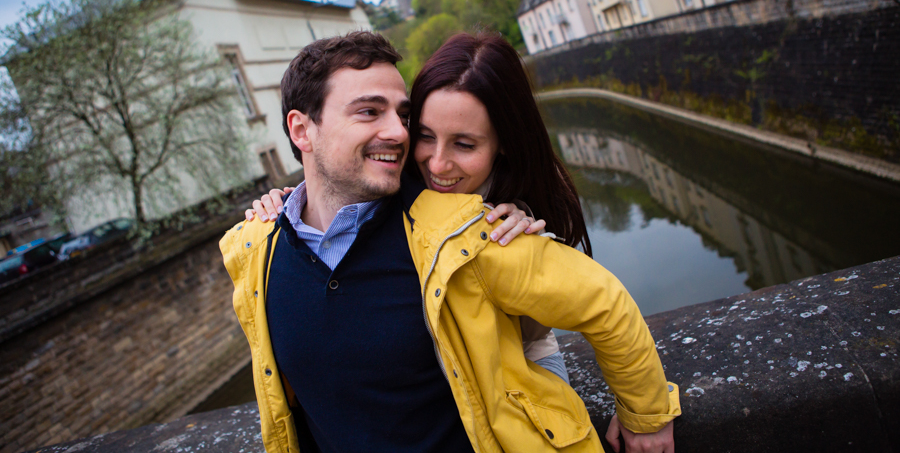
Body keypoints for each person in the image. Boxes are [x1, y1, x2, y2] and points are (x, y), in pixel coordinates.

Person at [220, 31, 680, 453]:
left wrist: (648, 418)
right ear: (302, 130)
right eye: (369, 111)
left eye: (402, 116)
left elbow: (604, 303)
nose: (402, 136)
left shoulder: (471, 231)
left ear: (499, 147)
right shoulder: (256, 249)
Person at [249, 32, 594, 384]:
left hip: (523, 356)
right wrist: (291, 202)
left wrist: (521, 223)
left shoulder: (500, 213)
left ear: (503, 144)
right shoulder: (392, 182)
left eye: (464, 144)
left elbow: (598, 308)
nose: (438, 164)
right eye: (425, 135)